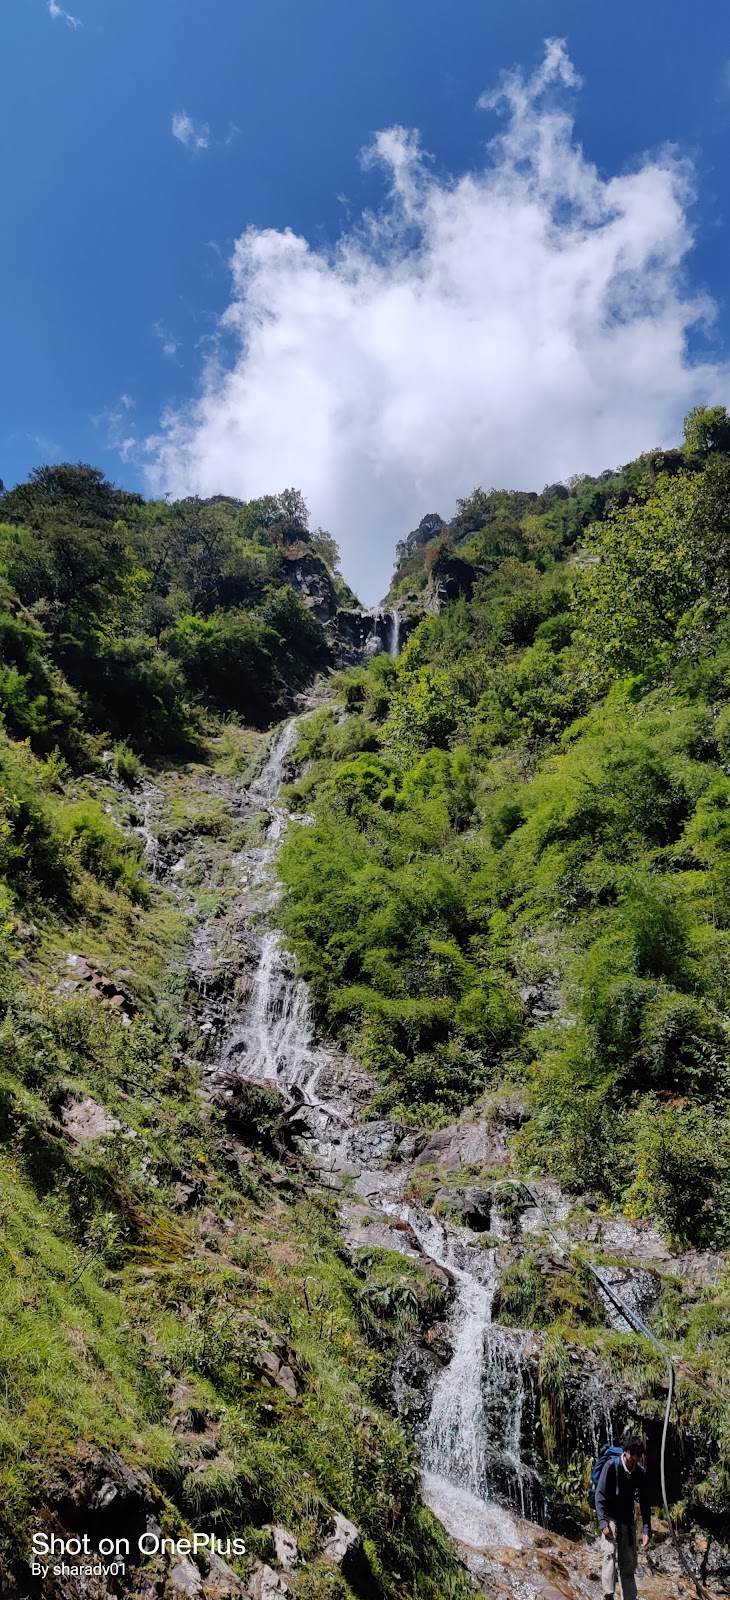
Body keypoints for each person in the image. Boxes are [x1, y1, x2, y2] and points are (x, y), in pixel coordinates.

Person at [595, 1434, 651, 1600]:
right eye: (631, 1458)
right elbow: (599, 1495)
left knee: (628, 1564)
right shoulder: (611, 1466)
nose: (634, 1462)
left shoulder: (639, 1473)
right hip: (610, 1517)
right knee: (609, 1554)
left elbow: (645, 1503)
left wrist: (646, 1528)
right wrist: (602, 1522)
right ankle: (608, 1595)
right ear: (625, 1453)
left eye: (637, 1459)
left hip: (627, 1519)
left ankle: (630, 1597)